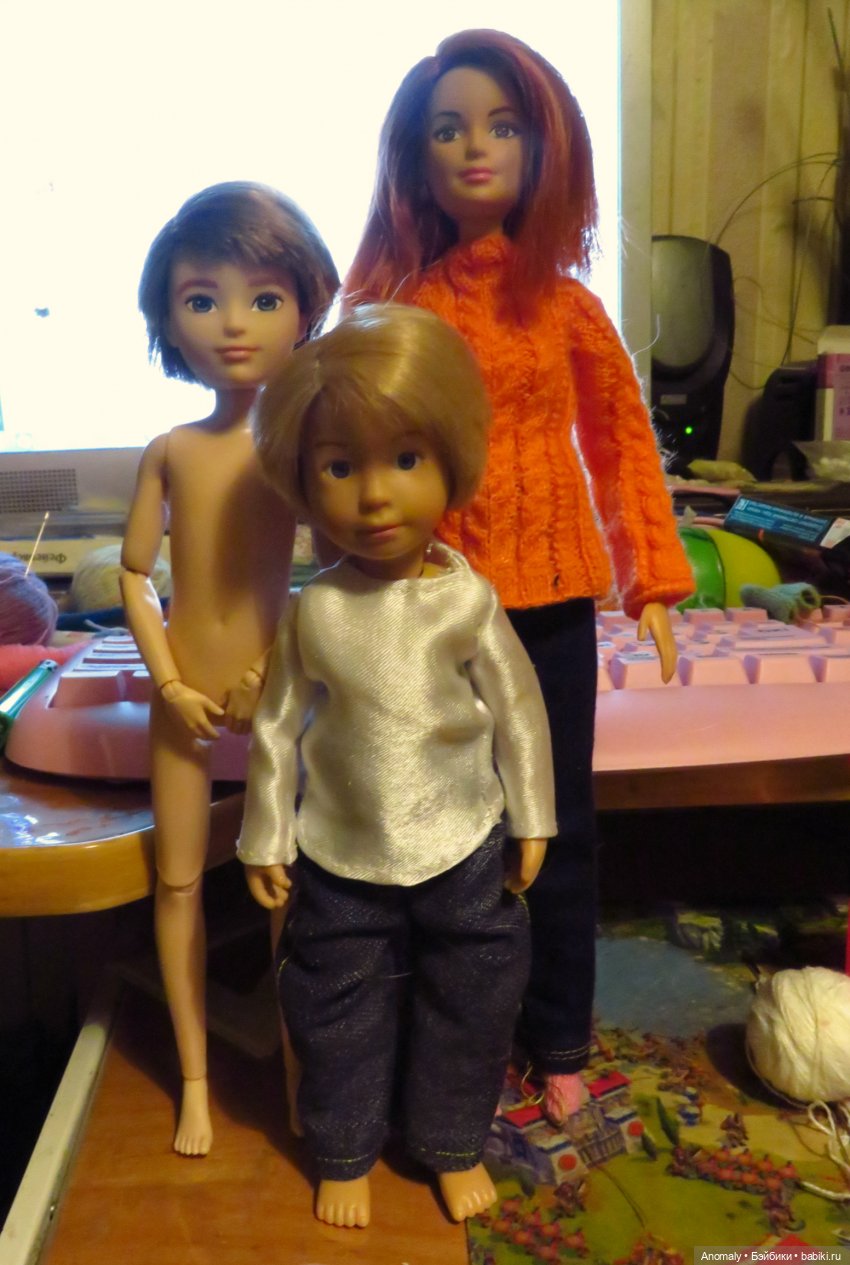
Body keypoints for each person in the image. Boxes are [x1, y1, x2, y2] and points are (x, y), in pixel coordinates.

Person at [344, 30, 695, 1123]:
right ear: (417, 159)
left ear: (543, 149)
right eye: (449, 130)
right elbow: (357, 443)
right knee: (441, 821)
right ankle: (452, 1030)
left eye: (501, 126)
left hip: (550, 605)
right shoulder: (407, 307)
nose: (474, 148)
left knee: (561, 824)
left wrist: (652, 578)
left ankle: (557, 1035)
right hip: (434, 607)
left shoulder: (566, 306)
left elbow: (621, 443)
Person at [237, 303, 556, 1228]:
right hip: (339, 848)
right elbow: (276, 726)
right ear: (304, 481)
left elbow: (519, 711)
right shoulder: (317, 610)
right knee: (334, 1001)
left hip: (463, 837)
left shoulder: (468, 600)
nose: (375, 496)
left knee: (475, 994)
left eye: (406, 459)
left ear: (451, 459)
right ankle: (343, 1147)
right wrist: (265, 833)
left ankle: (450, 1142)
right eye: (340, 468)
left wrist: (532, 815)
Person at [120, 181, 339, 1157]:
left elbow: (335, 570)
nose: (235, 323)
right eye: (202, 299)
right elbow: (134, 574)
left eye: (265, 297)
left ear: (304, 306)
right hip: (184, 699)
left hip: (275, 696)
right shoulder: (171, 450)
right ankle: (197, 1083)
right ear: (169, 319)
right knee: (176, 884)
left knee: (284, 884)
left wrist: (279, 662)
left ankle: (296, 1075)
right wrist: (168, 681)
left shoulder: (303, 445)